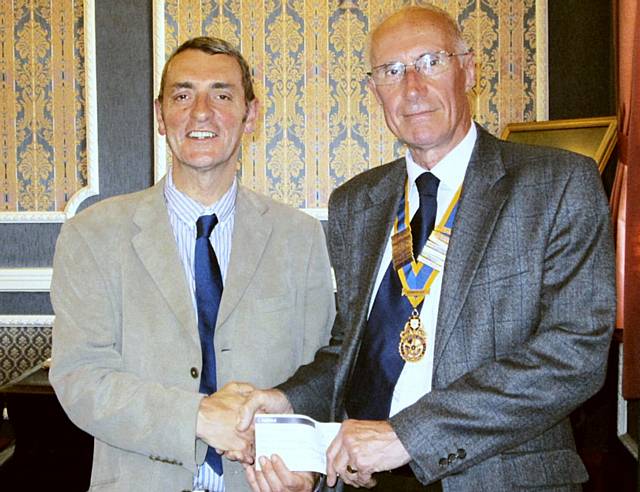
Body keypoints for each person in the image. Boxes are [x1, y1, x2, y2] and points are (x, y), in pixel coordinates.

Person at [239, 5, 616, 492]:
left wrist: (409, 436)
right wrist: (286, 401)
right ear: (375, 91)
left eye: (431, 62)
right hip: (363, 477)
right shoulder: (357, 202)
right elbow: (350, 351)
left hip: (497, 477)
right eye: (392, 71)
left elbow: (574, 355)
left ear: (469, 70)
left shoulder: (557, 184)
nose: (412, 87)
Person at [49, 36, 335, 492]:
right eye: (183, 96)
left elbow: (322, 374)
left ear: (251, 114)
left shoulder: (299, 236)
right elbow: (81, 378)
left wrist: (312, 471)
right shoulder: (93, 234)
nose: (202, 112)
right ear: (161, 116)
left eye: (222, 95)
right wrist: (198, 417)